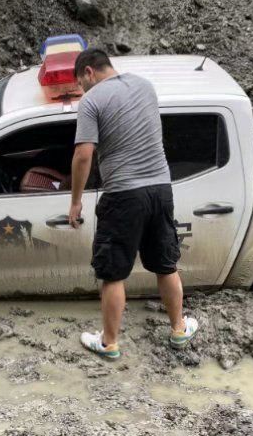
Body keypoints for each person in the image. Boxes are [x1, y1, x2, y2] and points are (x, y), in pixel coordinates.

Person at [69, 48, 199, 359]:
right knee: (166, 265)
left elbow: (83, 155)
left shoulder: (92, 101)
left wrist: (75, 201)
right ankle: (179, 330)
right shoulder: (145, 85)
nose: (81, 89)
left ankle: (109, 343)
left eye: (79, 82)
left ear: (89, 72)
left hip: (124, 194)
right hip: (160, 189)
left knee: (113, 273)